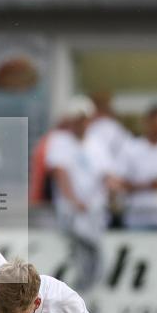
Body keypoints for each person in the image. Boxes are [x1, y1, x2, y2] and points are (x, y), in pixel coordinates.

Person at [45, 97, 119, 293]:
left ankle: (86, 295)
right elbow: (60, 174)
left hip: (93, 211)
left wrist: (113, 188)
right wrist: (74, 200)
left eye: (84, 119)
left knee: (93, 255)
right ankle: (75, 294)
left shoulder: (97, 143)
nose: (81, 123)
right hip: (71, 212)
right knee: (79, 253)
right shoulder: (59, 141)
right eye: (78, 119)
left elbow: (107, 174)